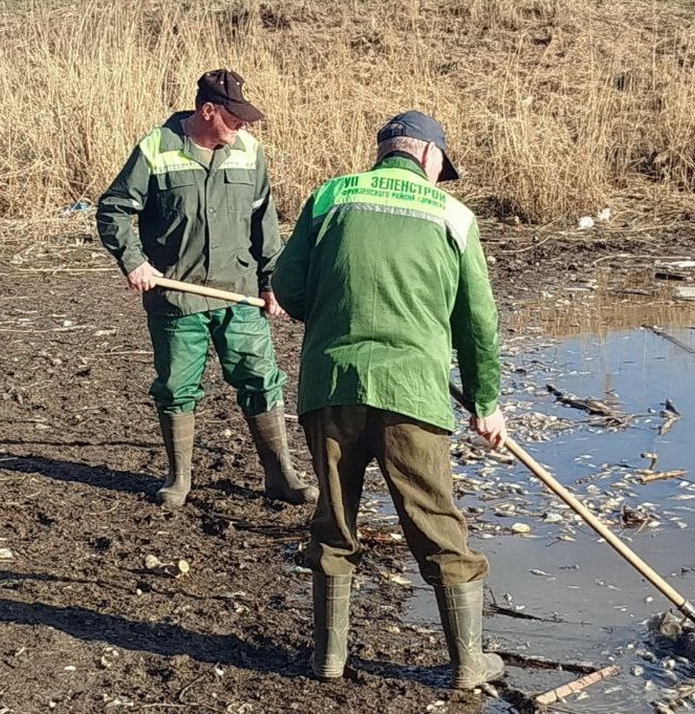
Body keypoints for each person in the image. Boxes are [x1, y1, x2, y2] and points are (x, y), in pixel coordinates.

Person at [271, 110, 507, 688]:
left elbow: (288, 288)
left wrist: (335, 315)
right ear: (428, 156)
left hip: (331, 386)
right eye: (441, 167)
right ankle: (468, 664)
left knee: (334, 519)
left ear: (386, 152)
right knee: (435, 523)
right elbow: (477, 323)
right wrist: (485, 402)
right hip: (412, 392)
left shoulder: (331, 196)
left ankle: (328, 660)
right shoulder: (454, 216)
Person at [96, 69, 315, 508]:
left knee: (261, 380)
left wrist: (271, 281)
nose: (242, 126)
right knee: (176, 387)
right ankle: (178, 478)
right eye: (234, 118)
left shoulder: (248, 151)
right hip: (177, 297)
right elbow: (114, 209)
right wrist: (134, 261)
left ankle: (281, 476)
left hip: (240, 293)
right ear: (208, 110)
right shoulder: (157, 148)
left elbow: (264, 223)